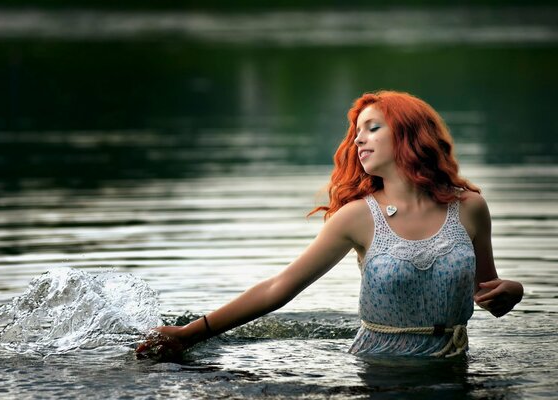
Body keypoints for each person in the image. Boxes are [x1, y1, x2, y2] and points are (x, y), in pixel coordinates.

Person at [136, 90, 524, 360]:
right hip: (378, 369)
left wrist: (513, 291)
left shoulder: (470, 208)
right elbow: (278, 288)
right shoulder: (356, 216)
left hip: (454, 368)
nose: (359, 141)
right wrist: (188, 335)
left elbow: (488, 295)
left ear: (409, 133)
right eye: (357, 134)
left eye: (373, 128)